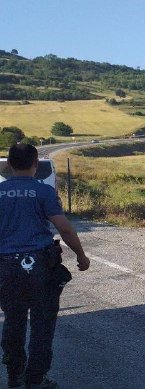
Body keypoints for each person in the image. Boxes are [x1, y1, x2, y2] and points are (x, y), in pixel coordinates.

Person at [0, 144, 90, 388]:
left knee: (13, 320)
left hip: (6, 268)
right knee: (42, 324)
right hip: (40, 265)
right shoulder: (43, 191)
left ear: (8, 164)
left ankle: (14, 375)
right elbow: (64, 227)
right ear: (35, 165)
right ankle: (35, 379)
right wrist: (81, 256)